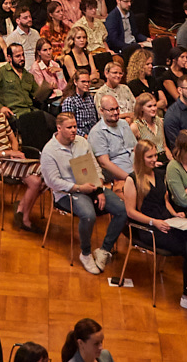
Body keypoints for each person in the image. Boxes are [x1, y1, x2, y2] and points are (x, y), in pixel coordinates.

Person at [42, 110, 128, 275]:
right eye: (69, 127)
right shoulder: (49, 151)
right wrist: (79, 188)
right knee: (89, 215)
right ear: (59, 128)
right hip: (67, 192)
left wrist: (100, 188)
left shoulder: (82, 142)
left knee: (122, 210)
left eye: (75, 126)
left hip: (92, 187)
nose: (74, 130)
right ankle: (86, 253)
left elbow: (95, 167)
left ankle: (104, 250)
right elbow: (53, 182)